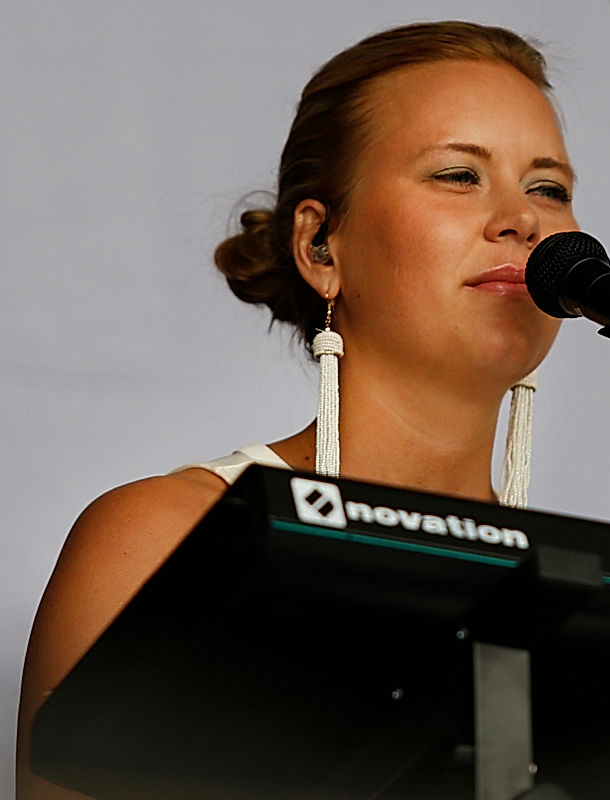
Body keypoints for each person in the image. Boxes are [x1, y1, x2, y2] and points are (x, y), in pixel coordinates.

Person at [16, 21, 577, 798]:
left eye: (549, 187)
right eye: (457, 175)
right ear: (319, 246)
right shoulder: (165, 540)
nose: (524, 221)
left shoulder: (586, 597)